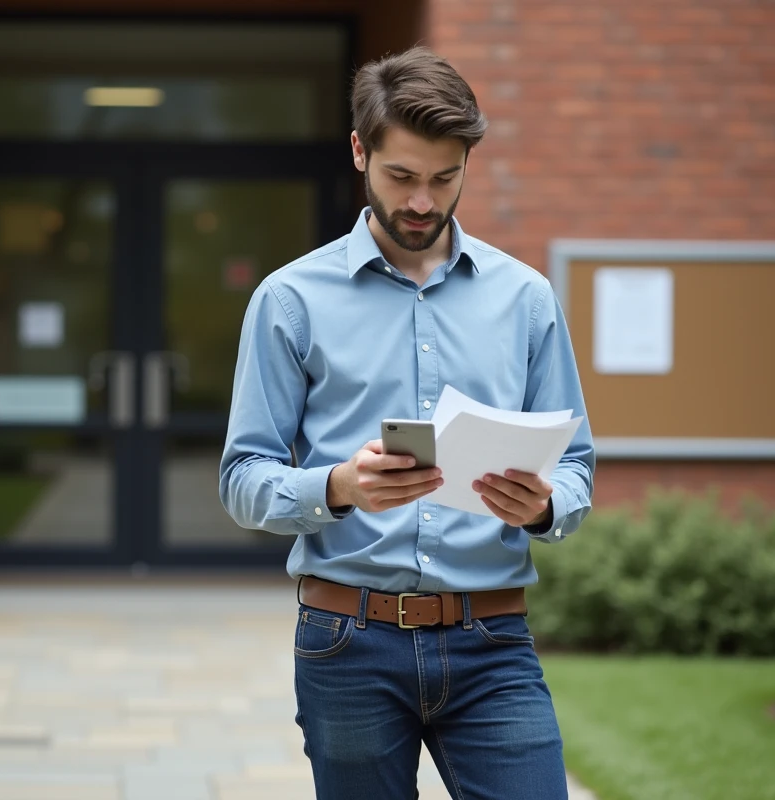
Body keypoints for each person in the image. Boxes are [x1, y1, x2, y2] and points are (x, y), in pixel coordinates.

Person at [219, 45, 595, 800]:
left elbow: (576, 465)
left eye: (444, 179)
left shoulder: (525, 300)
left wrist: (546, 505)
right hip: (347, 643)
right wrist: (338, 487)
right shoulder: (290, 301)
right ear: (360, 151)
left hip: (494, 643)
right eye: (402, 177)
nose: (423, 201)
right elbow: (242, 479)